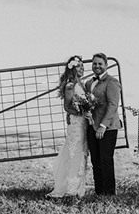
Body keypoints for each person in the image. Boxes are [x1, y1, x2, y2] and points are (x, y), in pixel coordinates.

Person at [47, 55, 89, 198]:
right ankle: (71, 187)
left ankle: (79, 186)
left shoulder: (81, 85)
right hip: (76, 124)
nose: (82, 68)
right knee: (75, 152)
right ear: (72, 69)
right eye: (79, 66)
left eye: (82, 66)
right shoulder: (70, 85)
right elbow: (67, 107)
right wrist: (81, 112)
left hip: (83, 123)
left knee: (82, 152)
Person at [86, 52, 122, 196]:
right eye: (94, 63)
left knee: (105, 160)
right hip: (92, 126)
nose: (97, 66)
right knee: (95, 160)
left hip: (108, 127)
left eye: (100, 64)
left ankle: (109, 193)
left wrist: (103, 126)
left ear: (106, 65)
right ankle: (99, 192)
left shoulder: (112, 82)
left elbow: (113, 105)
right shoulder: (89, 83)